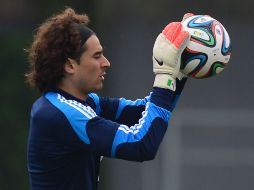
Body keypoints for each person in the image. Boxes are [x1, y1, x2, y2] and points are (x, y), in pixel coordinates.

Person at [26, 7, 190, 190]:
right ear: (70, 65)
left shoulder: (81, 103)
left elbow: (142, 111)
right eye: (97, 56)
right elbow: (141, 144)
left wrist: (179, 71)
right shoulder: (63, 114)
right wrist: (165, 74)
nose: (106, 63)